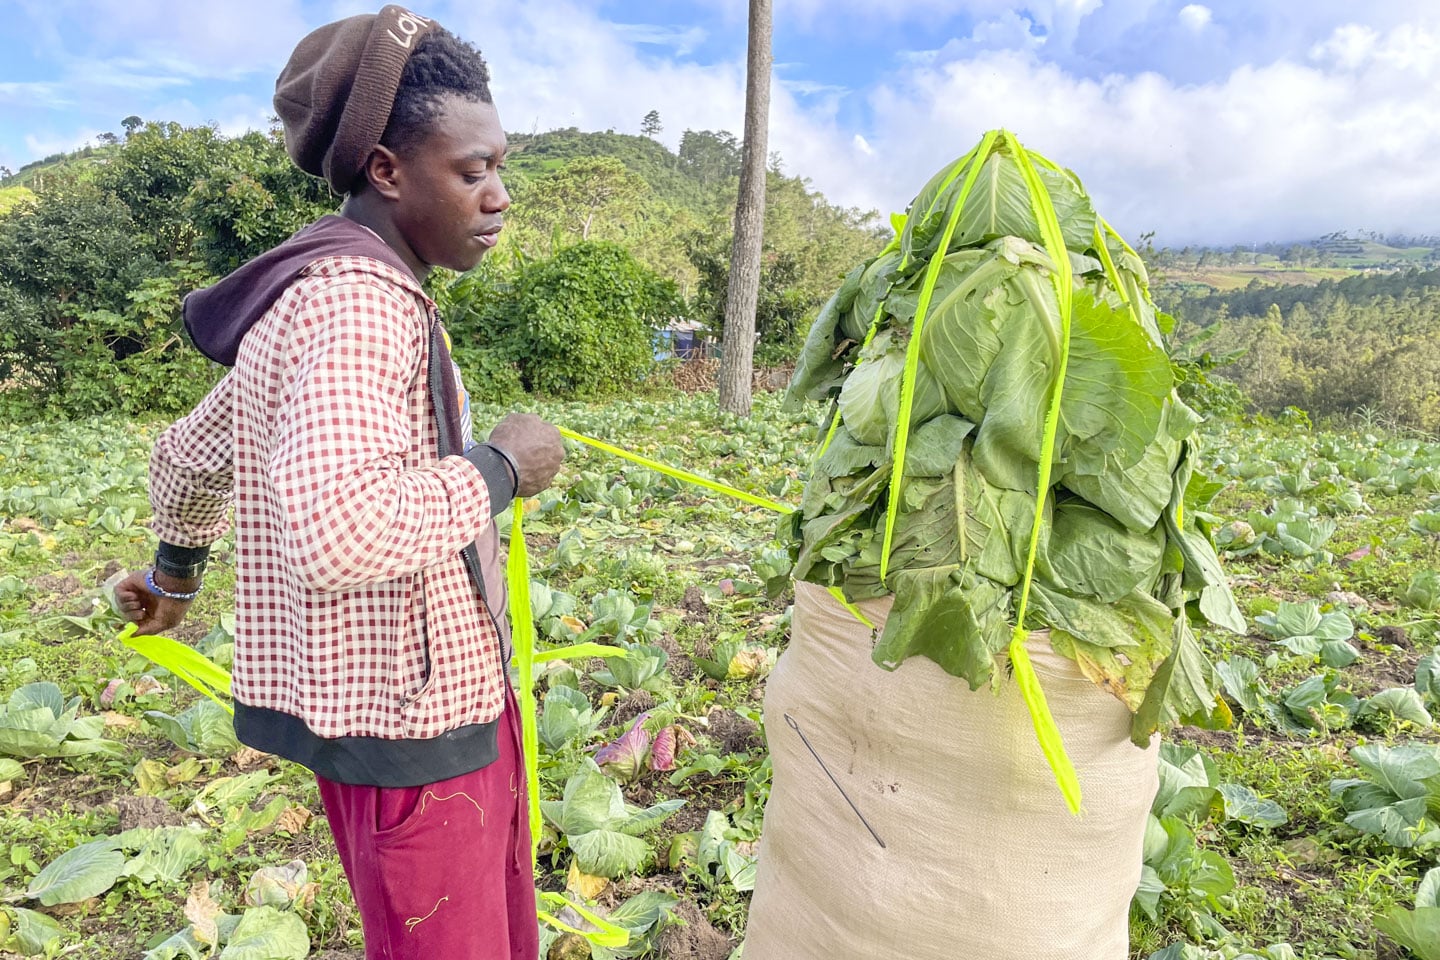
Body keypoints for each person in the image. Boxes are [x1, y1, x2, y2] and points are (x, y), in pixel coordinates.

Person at [113, 7, 564, 958]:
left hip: (407, 723)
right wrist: (501, 468)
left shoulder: (308, 291)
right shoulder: (360, 306)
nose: (498, 196)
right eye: (472, 169)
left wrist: (174, 575)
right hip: (413, 732)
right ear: (388, 171)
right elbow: (342, 530)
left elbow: (190, 454)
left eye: (501, 168)